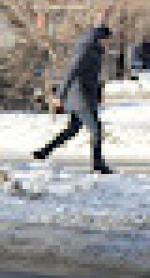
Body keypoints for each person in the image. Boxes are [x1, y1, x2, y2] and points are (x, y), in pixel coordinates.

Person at [34, 25, 114, 173]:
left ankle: (44, 152)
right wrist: (59, 95)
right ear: (100, 38)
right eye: (107, 40)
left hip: (86, 96)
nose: (108, 44)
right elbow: (71, 72)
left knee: (73, 129)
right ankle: (98, 164)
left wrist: (98, 93)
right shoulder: (85, 50)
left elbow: (93, 76)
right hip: (80, 96)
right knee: (96, 130)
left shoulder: (95, 51)